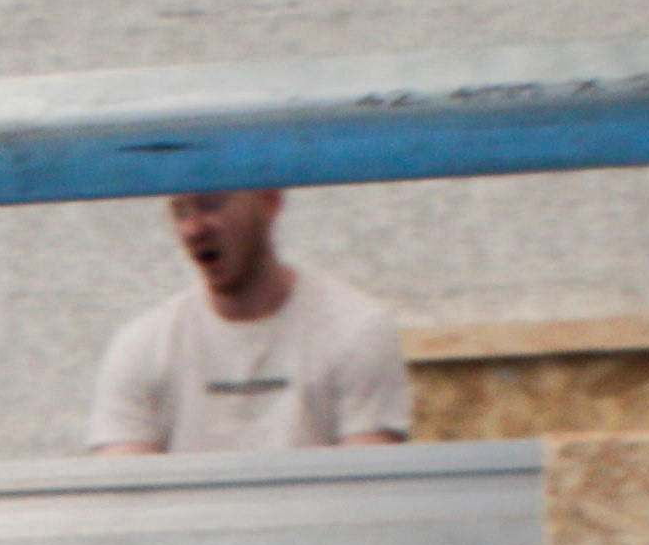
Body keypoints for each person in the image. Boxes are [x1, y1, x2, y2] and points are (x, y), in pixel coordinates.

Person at [86, 185, 411, 453]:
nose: (193, 229)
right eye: (179, 211)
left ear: (270, 201)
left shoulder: (356, 329)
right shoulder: (141, 346)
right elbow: (124, 496)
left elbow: (368, 493)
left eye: (211, 204)